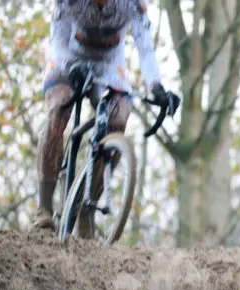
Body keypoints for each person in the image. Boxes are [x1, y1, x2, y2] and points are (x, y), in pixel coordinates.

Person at [31, 0, 177, 232]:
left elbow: (146, 47)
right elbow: (57, 41)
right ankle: (44, 208)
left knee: (118, 119)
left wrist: (156, 87)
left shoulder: (132, 5)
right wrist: (71, 67)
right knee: (58, 110)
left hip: (109, 68)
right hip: (66, 60)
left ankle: (87, 206)